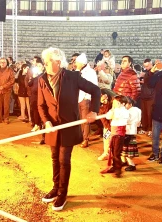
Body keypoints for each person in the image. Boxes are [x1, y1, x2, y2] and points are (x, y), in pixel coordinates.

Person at [38, 47, 100, 211]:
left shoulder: (72, 77)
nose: (44, 65)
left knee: (64, 160)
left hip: (68, 126)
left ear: (57, 62)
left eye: (47, 62)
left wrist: (94, 111)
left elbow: (95, 90)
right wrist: (46, 122)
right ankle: (55, 188)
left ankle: (62, 194)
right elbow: (41, 105)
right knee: (54, 158)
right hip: (52, 128)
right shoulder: (42, 79)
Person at [100, 95, 130, 177]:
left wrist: (113, 111)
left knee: (116, 152)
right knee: (113, 151)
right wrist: (113, 110)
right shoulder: (115, 110)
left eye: (117, 103)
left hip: (119, 135)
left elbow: (112, 116)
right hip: (114, 133)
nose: (114, 104)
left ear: (123, 104)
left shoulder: (124, 111)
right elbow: (108, 116)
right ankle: (114, 167)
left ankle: (118, 169)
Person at [75, 53, 98, 148]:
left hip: (85, 99)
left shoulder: (91, 72)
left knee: (85, 120)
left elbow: (94, 86)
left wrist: (87, 97)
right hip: (77, 98)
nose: (76, 64)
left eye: (77, 62)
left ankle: (85, 139)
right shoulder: (77, 71)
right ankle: (81, 137)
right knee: (80, 119)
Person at [0, 57, 15, 124]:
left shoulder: (10, 71)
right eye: (1, 62)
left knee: (6, 105)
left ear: (6, 63)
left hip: (7, 90)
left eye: (4, 62)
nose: (2, 63)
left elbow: (12, 80)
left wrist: (4, 86)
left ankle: (6, 118)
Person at [122, 98, 141, 172]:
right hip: (132, 132)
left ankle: (131, 165)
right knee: (126, 150)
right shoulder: (138, 110)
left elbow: (127, 120)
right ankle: (124, 162)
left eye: (125, 104)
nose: (124, 105)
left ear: (130, 104)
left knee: (127, 151)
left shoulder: (128, 112)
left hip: (128, 132)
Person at [139, 59, 155, 136]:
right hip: (144, 96)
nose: (146, 68)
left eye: (148, 66)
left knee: (150, 114)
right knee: (144, 113)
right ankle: (144, 128)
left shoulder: (155, 73)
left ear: (152, 64)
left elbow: (151, 82)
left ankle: (150, 129)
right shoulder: (145, 72)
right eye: (145, 66)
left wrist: (144, 78)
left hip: (151, 97)